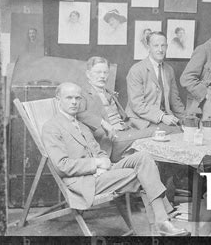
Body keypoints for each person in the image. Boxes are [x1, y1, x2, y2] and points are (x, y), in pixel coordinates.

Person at [42, 82, 189, 236]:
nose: (74, 102)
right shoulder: (52, 127)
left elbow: (99, 151)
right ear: (58, 99)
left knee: (143, 157)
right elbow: (62, 166)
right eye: (69, 98)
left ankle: (161, 221)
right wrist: (96, 164)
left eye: (77, 98)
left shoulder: (81, 125)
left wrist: (102, 160)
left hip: (102, 172)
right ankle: (162, 221)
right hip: (84, 180)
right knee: (143, 174)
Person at [77, 57, 156, 162]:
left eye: (105, 73)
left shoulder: (108, 92)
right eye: (98, 72)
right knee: (155, 132)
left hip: (125, 131)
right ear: (88, 74)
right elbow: (79, 114)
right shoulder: (82, 93)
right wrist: (102, 122)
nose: (102, 76)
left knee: (153, 141)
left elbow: (124, 118)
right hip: (109, 140)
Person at [126, 32, 185, 130]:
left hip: (163, 119)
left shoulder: (169, 70)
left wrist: (186, 119)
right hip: (141, 121)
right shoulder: (136, 70)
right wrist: (162, 116)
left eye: (163, 45)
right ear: (148, 47)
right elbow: (137, 105)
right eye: (156, 46)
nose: (160, 50)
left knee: (185, 132)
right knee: (172, 134)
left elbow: (175, 101)